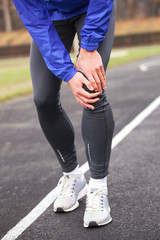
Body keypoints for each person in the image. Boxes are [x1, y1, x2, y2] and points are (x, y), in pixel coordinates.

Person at [13, 0, 116, 228]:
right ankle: (73, 176)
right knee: (43, 99)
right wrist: (68, 73)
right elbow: (36, 20)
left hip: (91, 8)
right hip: (50, 17)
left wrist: (88, 48)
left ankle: (98, 188)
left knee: (93, 91)